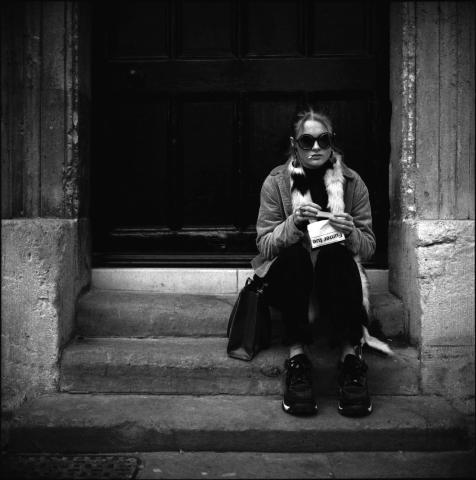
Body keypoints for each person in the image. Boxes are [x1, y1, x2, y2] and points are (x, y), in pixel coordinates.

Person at [251, 108, 380, 417]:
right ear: (295, 144)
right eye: (307, 141)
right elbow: (265, 245)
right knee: (294, 254)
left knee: (337, 253)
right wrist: (293, 223)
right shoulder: (276, 183)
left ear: (331, 142)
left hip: (335, 275)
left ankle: (350, 359)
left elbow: (369, 247)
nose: (316, 148)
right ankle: (297, 359)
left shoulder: (352, 183)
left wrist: (349, 233)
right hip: (293, 275)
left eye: (323, 140)